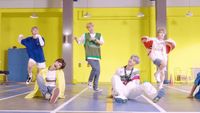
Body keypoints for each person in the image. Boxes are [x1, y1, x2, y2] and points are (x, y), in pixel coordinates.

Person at [74, 22, 104, 92]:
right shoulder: (85, 35)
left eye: (90, 27)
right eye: (88, 27)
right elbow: (79, 42)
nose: (90, 28)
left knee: (98, 71)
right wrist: (76, 38)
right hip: (89, 55)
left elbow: (102, 43)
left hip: (96, 55)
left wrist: (95, 39)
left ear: (93, 26)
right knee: (94, 68)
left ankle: (95, 87)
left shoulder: (99, 35)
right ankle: (90, 81)